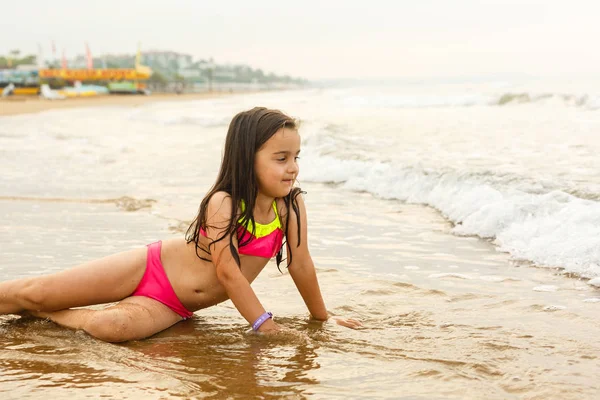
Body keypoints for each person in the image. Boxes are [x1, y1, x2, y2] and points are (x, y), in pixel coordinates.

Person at [0, 107, 360, 342]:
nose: (293, 167)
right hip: (150, 266)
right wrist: (262, 324)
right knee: (35, 290)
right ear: (246, 159)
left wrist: (323, 318)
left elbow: (301, 264)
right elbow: (229, 273)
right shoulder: (225, 203)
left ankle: (48, 314)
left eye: (296, 157)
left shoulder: (291, 205)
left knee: (111, 328)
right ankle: (36, 304)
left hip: (175, 306)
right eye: (281, 158)